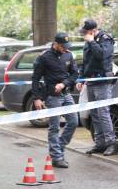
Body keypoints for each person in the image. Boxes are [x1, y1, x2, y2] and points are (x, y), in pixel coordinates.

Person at [32, 32, 79, 168]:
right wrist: (37, 98)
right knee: (54, 127)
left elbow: (75, 74)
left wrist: (64, 84)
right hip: (52, 97)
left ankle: (59, 146)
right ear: (56, 44)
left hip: (66, 94)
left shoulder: (68, 55)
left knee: (74, 122)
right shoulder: (44, 58)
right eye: (63, 46)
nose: (65, 48)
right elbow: (35, 79)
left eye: (66, 46)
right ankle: (57, 157)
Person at [76, 19, 117, 156]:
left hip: (102, 80)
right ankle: (99, 144)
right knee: (94, 113)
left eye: (86, 32)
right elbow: (85, 61)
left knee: (103, 112)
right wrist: (81, 78)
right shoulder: (88, 42)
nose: (84, 35)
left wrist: (92, 41)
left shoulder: (106, 39)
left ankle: (111, 144)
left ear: (93, 31)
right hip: (91, 80)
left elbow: (102, 55)